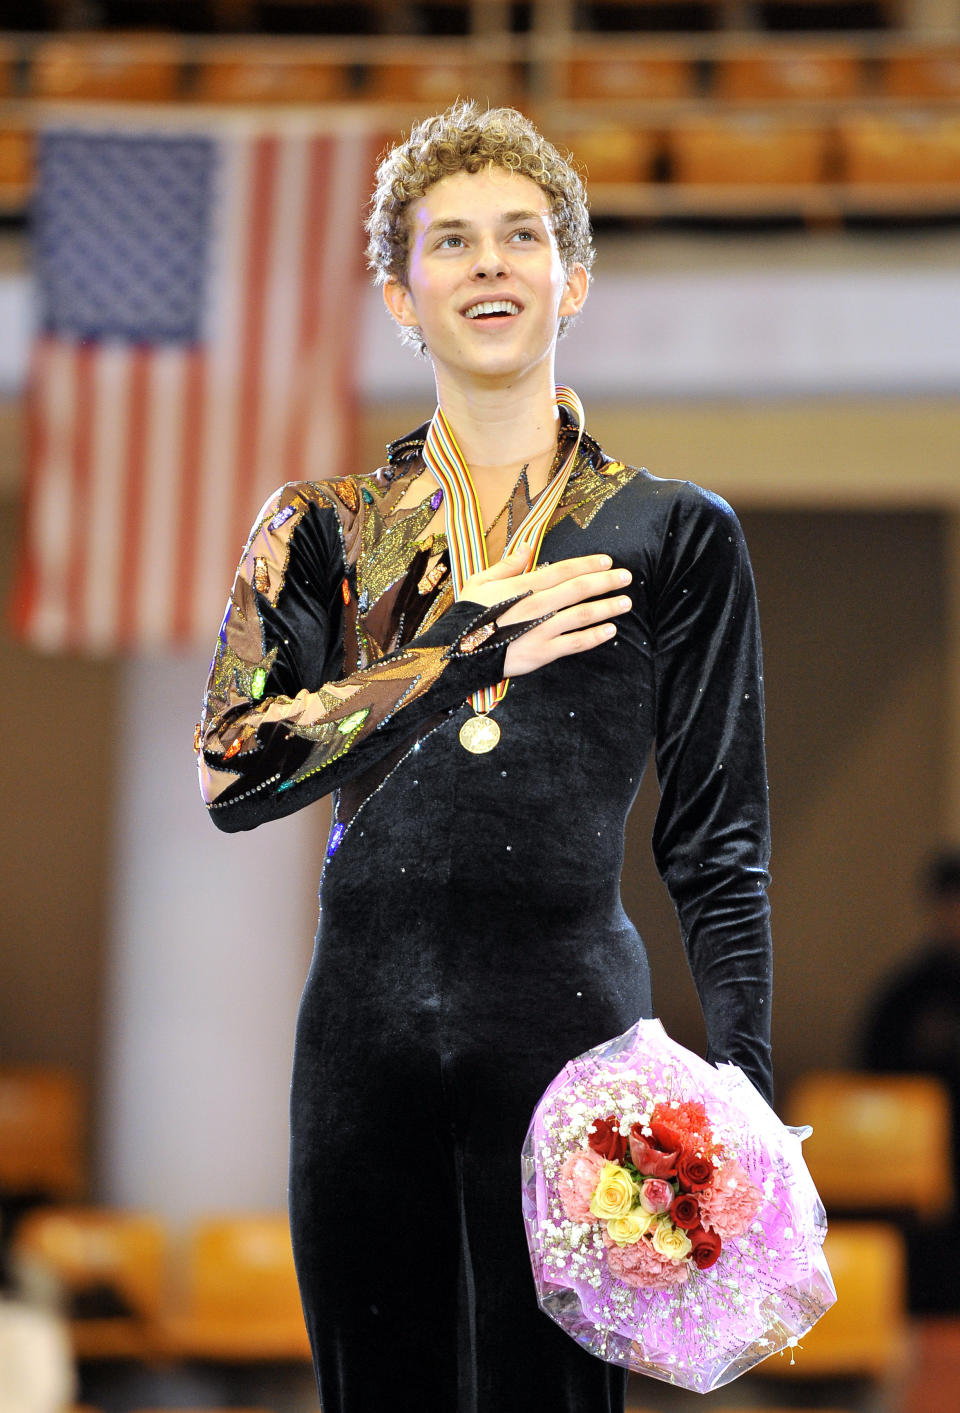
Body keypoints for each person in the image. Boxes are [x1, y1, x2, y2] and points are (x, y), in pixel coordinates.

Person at [196, 102, 773, 1413]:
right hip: (361, 1034)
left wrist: (747, 1087)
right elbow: (232, 769)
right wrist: (456, 650)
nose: (490, 262)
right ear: (403, 294)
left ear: (574, 277)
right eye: (449, 242)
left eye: (521, 235)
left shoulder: (674, 533)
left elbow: (717, 840)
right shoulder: (322, 532)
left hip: (569, 1029)